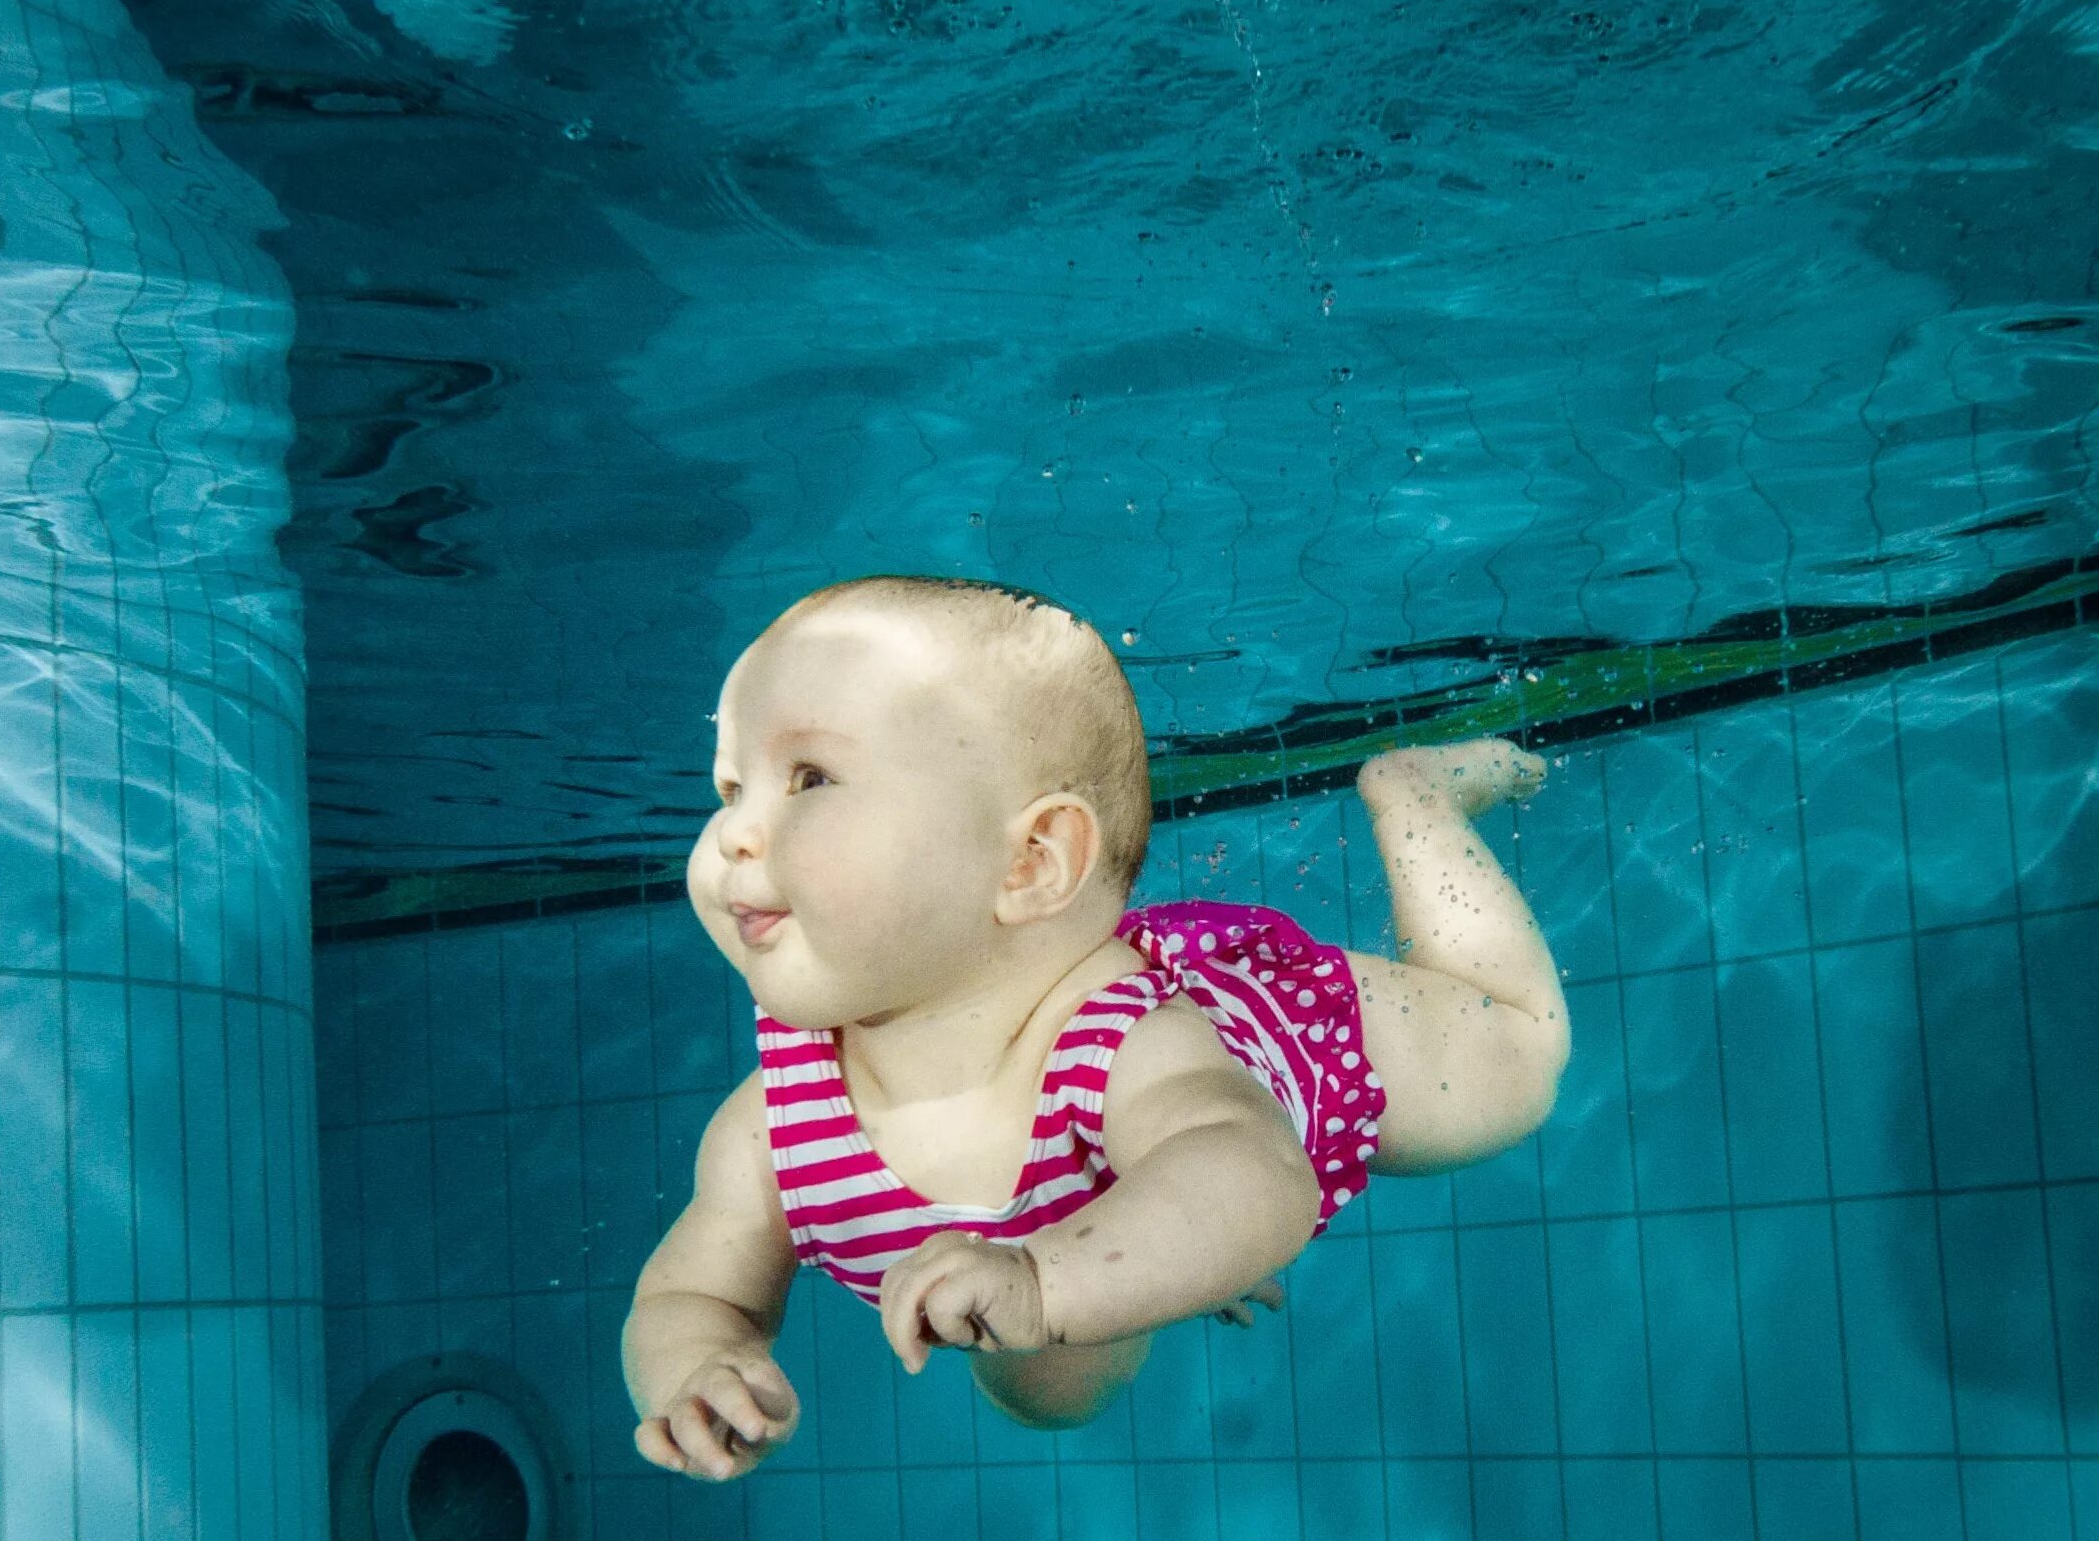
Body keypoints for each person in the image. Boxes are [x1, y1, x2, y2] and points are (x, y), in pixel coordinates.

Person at [622, 576, 1570, 1478]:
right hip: (1068, 1227)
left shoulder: (1124, 1045)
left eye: (810, 777)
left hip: (1285, 1038)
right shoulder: (770, 1131)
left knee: (1524, 1066)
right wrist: (697, 1370)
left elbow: (1260, 1178)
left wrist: (1045, 1281)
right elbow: (691, 1294)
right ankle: (1152, 1251)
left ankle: (1413, 800)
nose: (732, 835)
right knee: (1046, 1388)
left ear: (1032, 861)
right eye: (731, 789)